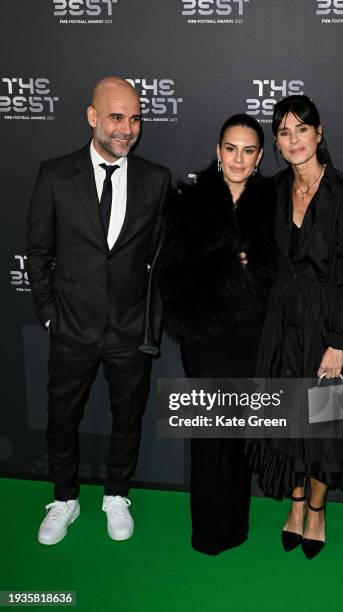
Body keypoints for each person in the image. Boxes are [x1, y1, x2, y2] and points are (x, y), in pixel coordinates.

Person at [26, 76, 171, 545]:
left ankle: (115, 495)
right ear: (92, 117)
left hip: (130, 329)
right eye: (116, 117)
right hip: (71, 326)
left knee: (128, 417)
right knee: (62, 415)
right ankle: (64, 498)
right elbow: (39, 252)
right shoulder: (54, 174)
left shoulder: (156, 179)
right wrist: (50, 315)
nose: (126, 128)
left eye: (134, 118)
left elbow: (166, 257)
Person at [248, 95, 343, 559]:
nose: (293, 140)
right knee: (289, 421)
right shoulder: (273, 190)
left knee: (328, 427)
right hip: (283, 324)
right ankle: (296, 503)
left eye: (301, 129)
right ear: (277, 143)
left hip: (331, 328)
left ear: (319, 134)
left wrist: (339, 344)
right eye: (283, 132)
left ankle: (319, 511)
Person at [157, 114, 276, 555]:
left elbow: (282, 273)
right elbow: (172, 275)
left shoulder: (275, 204)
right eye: (231, 148)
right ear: (217, 150)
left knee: (241, 434)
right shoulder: (189, 203)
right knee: (209, 435)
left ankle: (236, 525)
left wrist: (254, 268)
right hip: (205, 336)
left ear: (261, 156)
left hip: (251, 335)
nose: (238, 159)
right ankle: (208, 530)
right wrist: (228, 268)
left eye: (248, 150)